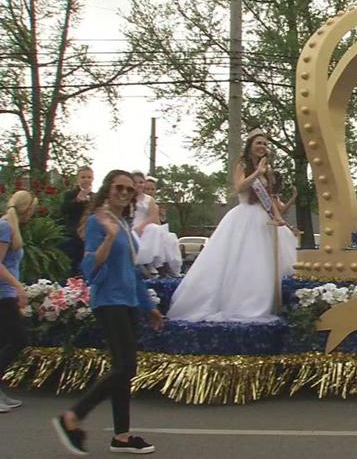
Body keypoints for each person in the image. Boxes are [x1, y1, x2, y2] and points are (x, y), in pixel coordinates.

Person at [52, 170, 163, 455]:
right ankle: (73, 417)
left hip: (127, 301)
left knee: (123, 369)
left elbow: (133, 272)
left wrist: (149, 307)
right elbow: (89, 269)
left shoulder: (123, 223)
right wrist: (109, 238)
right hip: (108, 301)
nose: (124, 193)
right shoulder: (96, 223)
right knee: (126, 366)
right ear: (107, 189)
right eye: (119, 188)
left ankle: (122, 436)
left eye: (129, 189)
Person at [166, 129, 293, 322]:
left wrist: (278, 217)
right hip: (245, 216)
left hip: (264, 217)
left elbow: (269, 197)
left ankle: (271, 303)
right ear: (250, 145)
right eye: (259, 143)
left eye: (265, 144)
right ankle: (240, 302)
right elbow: (240, 187)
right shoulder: (242, 164)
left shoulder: (268, 167)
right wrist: (257, 173)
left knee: (266, 261)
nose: (262, 147)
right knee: (245, 259)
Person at [0, 191, 37, 413]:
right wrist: (17, 286)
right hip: (4, 293)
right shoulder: (5, 227)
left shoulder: (9, 226)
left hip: (7, 292)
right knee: (18, 339)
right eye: (31, 210)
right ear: (26, 208)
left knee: (5, 340)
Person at [130, 171, 182, 278]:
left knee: (156, 231)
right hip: (131, 224)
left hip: (145, 226)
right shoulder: (128, 198)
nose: (139, 185)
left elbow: (152, 217)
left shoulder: (149, 200)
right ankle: (145, 263)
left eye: (141, 182)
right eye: (136, 182)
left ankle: (155, 263)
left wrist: (141, 227)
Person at [59, 166, 94, 277]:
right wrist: (77, 200)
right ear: (78, 179)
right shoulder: (70, 194)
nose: (86, 179)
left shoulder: (95, 196)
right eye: (83, 177)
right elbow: (64, 210)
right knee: (73, 263)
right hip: (73, 234)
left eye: (89, 177)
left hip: (89, 234)